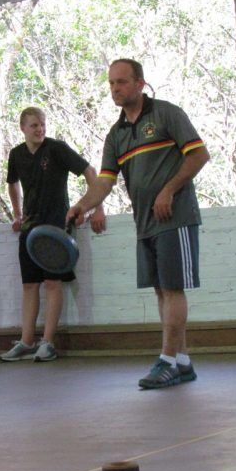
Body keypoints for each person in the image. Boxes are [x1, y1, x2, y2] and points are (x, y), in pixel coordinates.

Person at [68, 59, 210, 389]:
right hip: (144, 223)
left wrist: (169, 190)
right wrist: (81, 205)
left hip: (175, 218)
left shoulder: (166, 114)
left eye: (121, 82)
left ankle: (168, 360)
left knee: (173, 289)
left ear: (140, 84)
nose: (115, 89)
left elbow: (199, 155)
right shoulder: (116, 135)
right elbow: (104, 182)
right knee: (161, 290)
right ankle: (183, 361)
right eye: (111, 84)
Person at [0, 107, 106, 362]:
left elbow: (90, 171)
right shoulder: (16, 154)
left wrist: (97, 206)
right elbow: (12, 183)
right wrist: (17, 214)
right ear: (23, 128)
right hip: (30, 227)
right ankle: (26, 341)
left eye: (42, 125)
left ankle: (47, 342)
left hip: (57, 225)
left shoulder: (56, 148)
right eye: (34, 125)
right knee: (29, 285)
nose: (40, 129)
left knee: (52, 283)